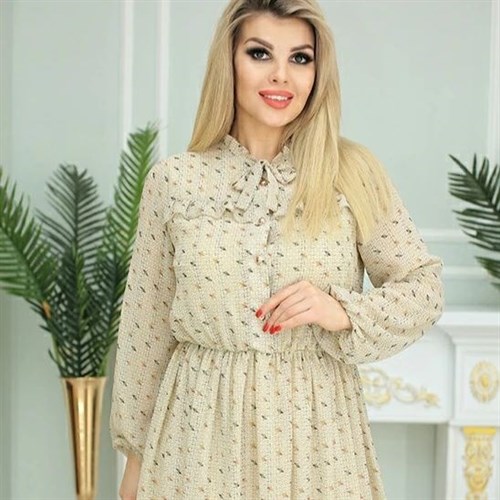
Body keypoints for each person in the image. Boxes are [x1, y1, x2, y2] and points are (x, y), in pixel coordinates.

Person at [109, 0, 444, 498]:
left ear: (317, 72)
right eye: (260, 53)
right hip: (196, 441)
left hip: (318, 437)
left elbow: (424, 289)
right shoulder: (176, 181)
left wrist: (341, 311)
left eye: (300, 58)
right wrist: (135, 460)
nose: (281, 76)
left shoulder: (352, 173)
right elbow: (146, 330)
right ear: (229, 62)